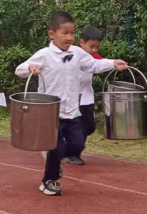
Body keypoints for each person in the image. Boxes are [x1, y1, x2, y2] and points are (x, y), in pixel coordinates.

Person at [16, 12, 127, 196]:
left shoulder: (77, 53)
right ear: (52, 34)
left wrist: (113, 63)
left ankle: (54, 158)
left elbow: (94, 65)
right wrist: (30, 68)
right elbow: (19, 70)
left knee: (77, 145)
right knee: (56, 147)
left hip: (72, 110)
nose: (69, 37)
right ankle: (48, 180)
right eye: (64, 33)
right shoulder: (44, 55)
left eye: (72, 33)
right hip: (51, 113)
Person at [62, 26, 104, 166]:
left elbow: (100, 63)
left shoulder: (93, 58)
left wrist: (115, 64)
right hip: (74, 98)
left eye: (96, 47)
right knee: (77, 127)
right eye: (91, 47)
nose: (94, 50)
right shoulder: (72, 55)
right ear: (81, 42)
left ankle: (72, 145)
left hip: (88, 97)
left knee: (89, 126)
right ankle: (74, 153)